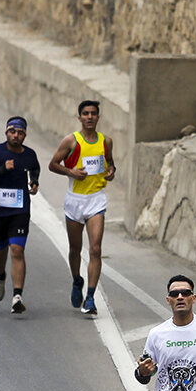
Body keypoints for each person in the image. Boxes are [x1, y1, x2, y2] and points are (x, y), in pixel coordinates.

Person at [47, 99, 116, 315]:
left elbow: (110, 163)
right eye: (85, 113)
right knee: (75, 249)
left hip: (96, 199)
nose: (89, 117)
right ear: (79, 117)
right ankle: (77, 280)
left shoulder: (106, 141)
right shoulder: (71, 141)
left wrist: (112, 170)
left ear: (98, 117)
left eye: (93, 113)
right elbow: (52, 164)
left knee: (95, 249)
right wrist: (71, 172)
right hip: (75, 200)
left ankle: (90, 297)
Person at [0, 117, 41, 314]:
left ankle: (17, 296)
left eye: (20, 133)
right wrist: (2, 169)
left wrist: (34, 182)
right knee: (0, 251)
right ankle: (0, 276)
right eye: (12, 132)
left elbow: (34, 168)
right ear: (6, 133)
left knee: (17, 251)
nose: (16, 135)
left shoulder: (29, 155)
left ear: (25, 135)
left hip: (20, 210)